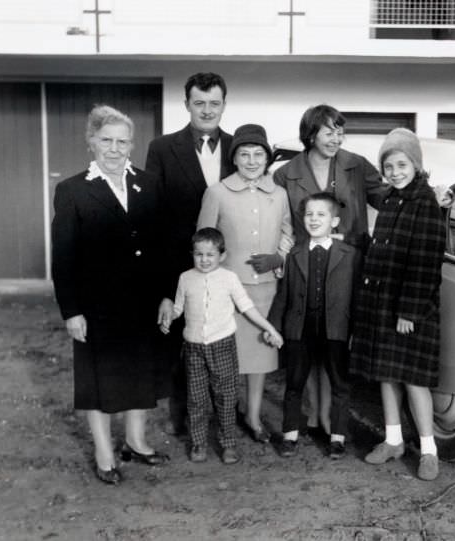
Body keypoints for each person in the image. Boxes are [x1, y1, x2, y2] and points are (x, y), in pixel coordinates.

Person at [51, 104, 170, 485]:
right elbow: (64, 255)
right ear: (92, 142)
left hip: (142, 303)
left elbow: (162, 247)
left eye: (122, 141)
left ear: (132, 144)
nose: (115, 148)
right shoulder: (72, 190)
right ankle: (104, 454)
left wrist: (167, 294)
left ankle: (135, 441)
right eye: (106, 140)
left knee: (139, 374)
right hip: (97, 307)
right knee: (97, 381)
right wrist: (72, 311)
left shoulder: (149, 184)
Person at [273, 104, 387, 438]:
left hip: (346, 264)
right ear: (310, 134)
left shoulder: (356, 165)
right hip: (306, 265)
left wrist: (424, 193)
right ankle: (313, 411)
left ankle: (328, 416)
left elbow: (387, 198)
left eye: (340, 131)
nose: (336, 138)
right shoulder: (286, 172)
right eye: (328, 131)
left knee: (336, 342)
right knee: (308, 339)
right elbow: (280, 222)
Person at [349, 128, 447, 481]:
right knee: (385, 375)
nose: (395, 172)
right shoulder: (391, 199)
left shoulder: (426, 203)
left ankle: (429, 450)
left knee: (413, 380)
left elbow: (425, 263)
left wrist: (409, 311)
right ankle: (393, 441)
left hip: (410, 310)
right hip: (381, 304)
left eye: (401, 164)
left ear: (416, 165)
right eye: (388, 166)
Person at [145, 72, 234, 437]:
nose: (207, 110)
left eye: (214, 103)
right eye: (199, 103)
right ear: (187, 105)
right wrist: (165, 278)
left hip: (226, 261)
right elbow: (152, 210)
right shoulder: (163, 148)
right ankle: (182, 415)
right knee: (183, 339)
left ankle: (227, 416)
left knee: (224, 338)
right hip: (179, 259)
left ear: (224, 105)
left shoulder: (238, 147)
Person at [197, 124, 292, 443]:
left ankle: (252, 416)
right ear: (234, 158)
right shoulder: (217, 192)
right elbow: (204, 241)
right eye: (244, 154)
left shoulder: (279, 194)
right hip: (227, 291)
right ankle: (227, 412)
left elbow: (288, 233)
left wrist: (278, 257)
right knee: (227, 358)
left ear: (267, 158)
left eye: (258, 154)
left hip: (265, 289)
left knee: (260, 357)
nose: (251, 161)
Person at [161, 228, 284, 465]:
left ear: (222, 256)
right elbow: (177, 308)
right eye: (199, 254)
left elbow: (247, 307)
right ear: (192, 255)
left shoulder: (229, 278)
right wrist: (168, 316)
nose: (204, 260)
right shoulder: (185, 278)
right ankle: (199, 443)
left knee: (226, 396)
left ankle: (228, 443)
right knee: (196, 398)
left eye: (210, 254)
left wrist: (270, 329)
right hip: (194, 347)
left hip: (222, 346)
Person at [268, 193, 361, 459]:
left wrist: (357, 332)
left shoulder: (350, 255)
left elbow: (357, 298)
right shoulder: (294, 254)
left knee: (340, 385)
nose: (314, 219)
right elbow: (283, 295)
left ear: (334, 221)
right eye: (309, 214)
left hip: (337, 330)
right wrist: (273, 326)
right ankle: (290, 435)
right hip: (301, 330)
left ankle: (338, 437)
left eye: (321, 214)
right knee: (294, 383)